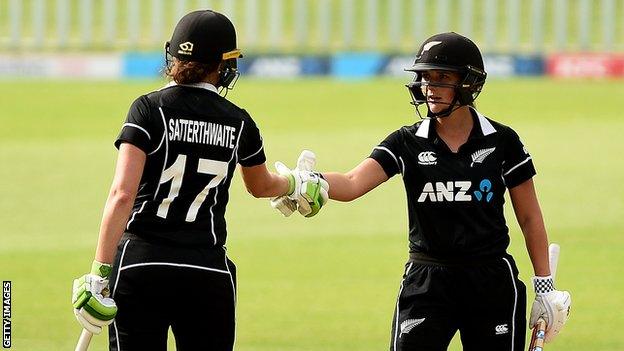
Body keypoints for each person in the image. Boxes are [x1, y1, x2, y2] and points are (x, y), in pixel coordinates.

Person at [70, 10, 328, 351]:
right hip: (207, 270)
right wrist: (295, 183)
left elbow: (122, 195)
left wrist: (99, 272)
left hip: (142, 263)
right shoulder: (240, 122)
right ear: (222, 65)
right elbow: (261, 186)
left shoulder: (147, 109)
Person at [310, 32, 571, 350]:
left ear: (469, 82)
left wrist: (544, 287)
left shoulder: (503, 141)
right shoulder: (406, 141)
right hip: (427, 282)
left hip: (490, 282)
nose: (430, 88)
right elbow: (352, 183)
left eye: (442, 78)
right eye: (426, 78)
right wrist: (307, 181)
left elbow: (530, 218)